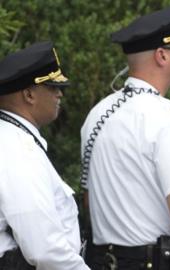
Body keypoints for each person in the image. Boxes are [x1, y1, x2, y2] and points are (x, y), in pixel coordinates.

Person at [80, 6, 170, 270]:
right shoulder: (167, 118)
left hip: (102, 261)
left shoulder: (97, 114)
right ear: (162, 55)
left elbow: (90, 198)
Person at [0, 41, 90, 269]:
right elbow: (44, 249)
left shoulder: (11, 137)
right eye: (52, 87)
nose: (59, 94)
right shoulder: (18, 149)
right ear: (29, 94)